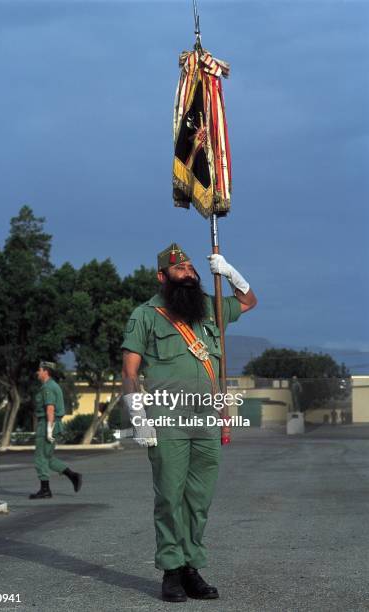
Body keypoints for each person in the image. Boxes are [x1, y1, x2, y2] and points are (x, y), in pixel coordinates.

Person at [121, 243, 257, 602]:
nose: (190, 274)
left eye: (192, 268)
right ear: (162, 276)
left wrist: (229, 272)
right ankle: (171, 570)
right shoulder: (145, 315)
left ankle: (191, 567)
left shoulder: (209, 309)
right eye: (180, 269)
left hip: (207, 419)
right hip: (167, 418)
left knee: (198, 498)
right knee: (170, 496)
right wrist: (138, 417)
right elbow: (130, 371)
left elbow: (248, 301)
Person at [29, 361, 82, 499]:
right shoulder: (52, 386)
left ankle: (45, 490)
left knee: (40, 457)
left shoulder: (48, 387)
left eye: (39, 370)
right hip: (52, 424)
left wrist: (48, 429)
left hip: (47, 423)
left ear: (46, 371)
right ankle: (73, 475)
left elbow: (50, 409)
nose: (37, 372)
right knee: (48, 458)